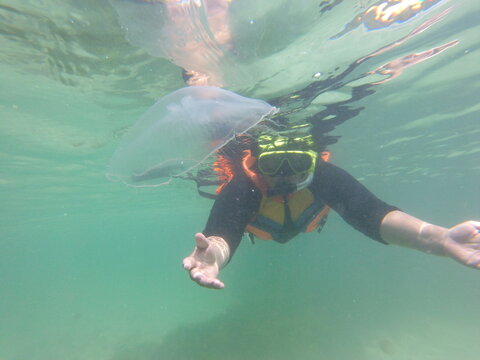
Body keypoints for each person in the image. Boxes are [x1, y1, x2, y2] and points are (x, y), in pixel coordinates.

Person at [182, 130, 480, 289]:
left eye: (297, 165)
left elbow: (375, 215)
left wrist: (437, 239)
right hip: (262, 229)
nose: (284, 175)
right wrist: (215, 256)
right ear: (259, 165)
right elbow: (223, 232)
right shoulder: (243, 187)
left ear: (311, 163)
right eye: (273, 165)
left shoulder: (324, 177)